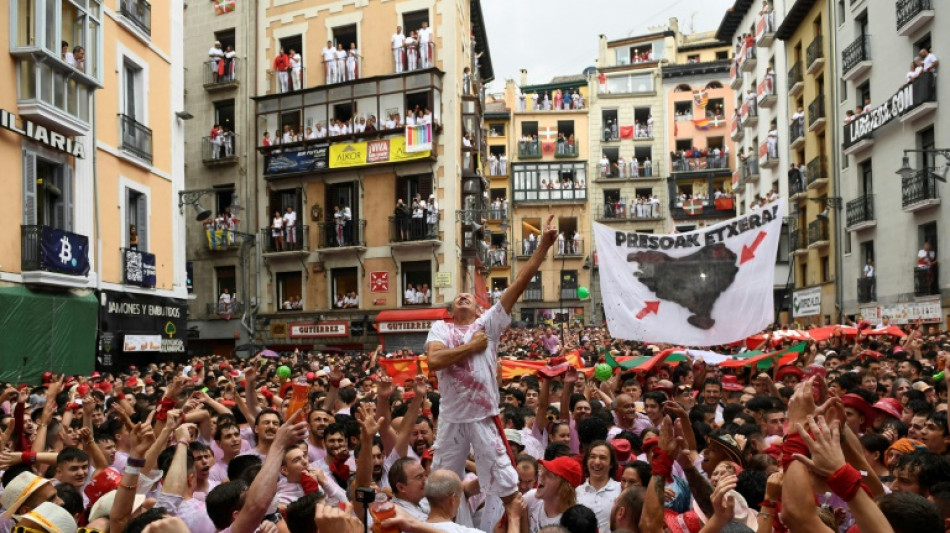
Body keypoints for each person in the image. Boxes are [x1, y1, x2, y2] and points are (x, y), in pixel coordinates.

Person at [425, 215, 559, 510]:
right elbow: (434, 360)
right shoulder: (441, 329)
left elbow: (519, 284)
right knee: (440, 490)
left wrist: (543, 246)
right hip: (450, 419)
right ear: (451, 311)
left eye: (469, 297)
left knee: (508, 489)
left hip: (484, 417)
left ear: (479, 310)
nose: (463, 296)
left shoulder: (488, 323)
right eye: (458, 297)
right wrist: (471, 347)